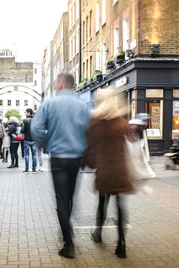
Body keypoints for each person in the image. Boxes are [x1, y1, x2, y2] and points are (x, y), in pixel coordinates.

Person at [31, 71, 91, 259]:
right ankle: (67, 229)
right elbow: (90, 132)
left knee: (61, 199)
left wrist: (46, 144)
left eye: (56, 82)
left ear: (62, 83)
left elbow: (36, 128)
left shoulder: (49, 103)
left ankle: (68, 242)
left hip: (58, 157)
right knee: (70, 197)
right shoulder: (83, 106)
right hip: (76, 158)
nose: (55, 86)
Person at [83, 89, 133, 258]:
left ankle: (98, 232)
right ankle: (122, 243)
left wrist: (90, 163)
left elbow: (90, 148)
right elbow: (129, 141)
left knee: (103, 203)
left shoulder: (95, 122)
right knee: (120, 206)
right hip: (120, 169)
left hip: (105, 169)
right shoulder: (121, 121)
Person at [22, 108, 37, 174]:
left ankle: (27, 169)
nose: (25, 113)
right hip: (34, 139)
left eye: (26, 112)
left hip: (26, 139)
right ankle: (34, 169)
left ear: (28, 113)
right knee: (34, 155)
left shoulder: (25, 120)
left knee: (27, 155)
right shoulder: (36, 120)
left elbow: (22, 130)